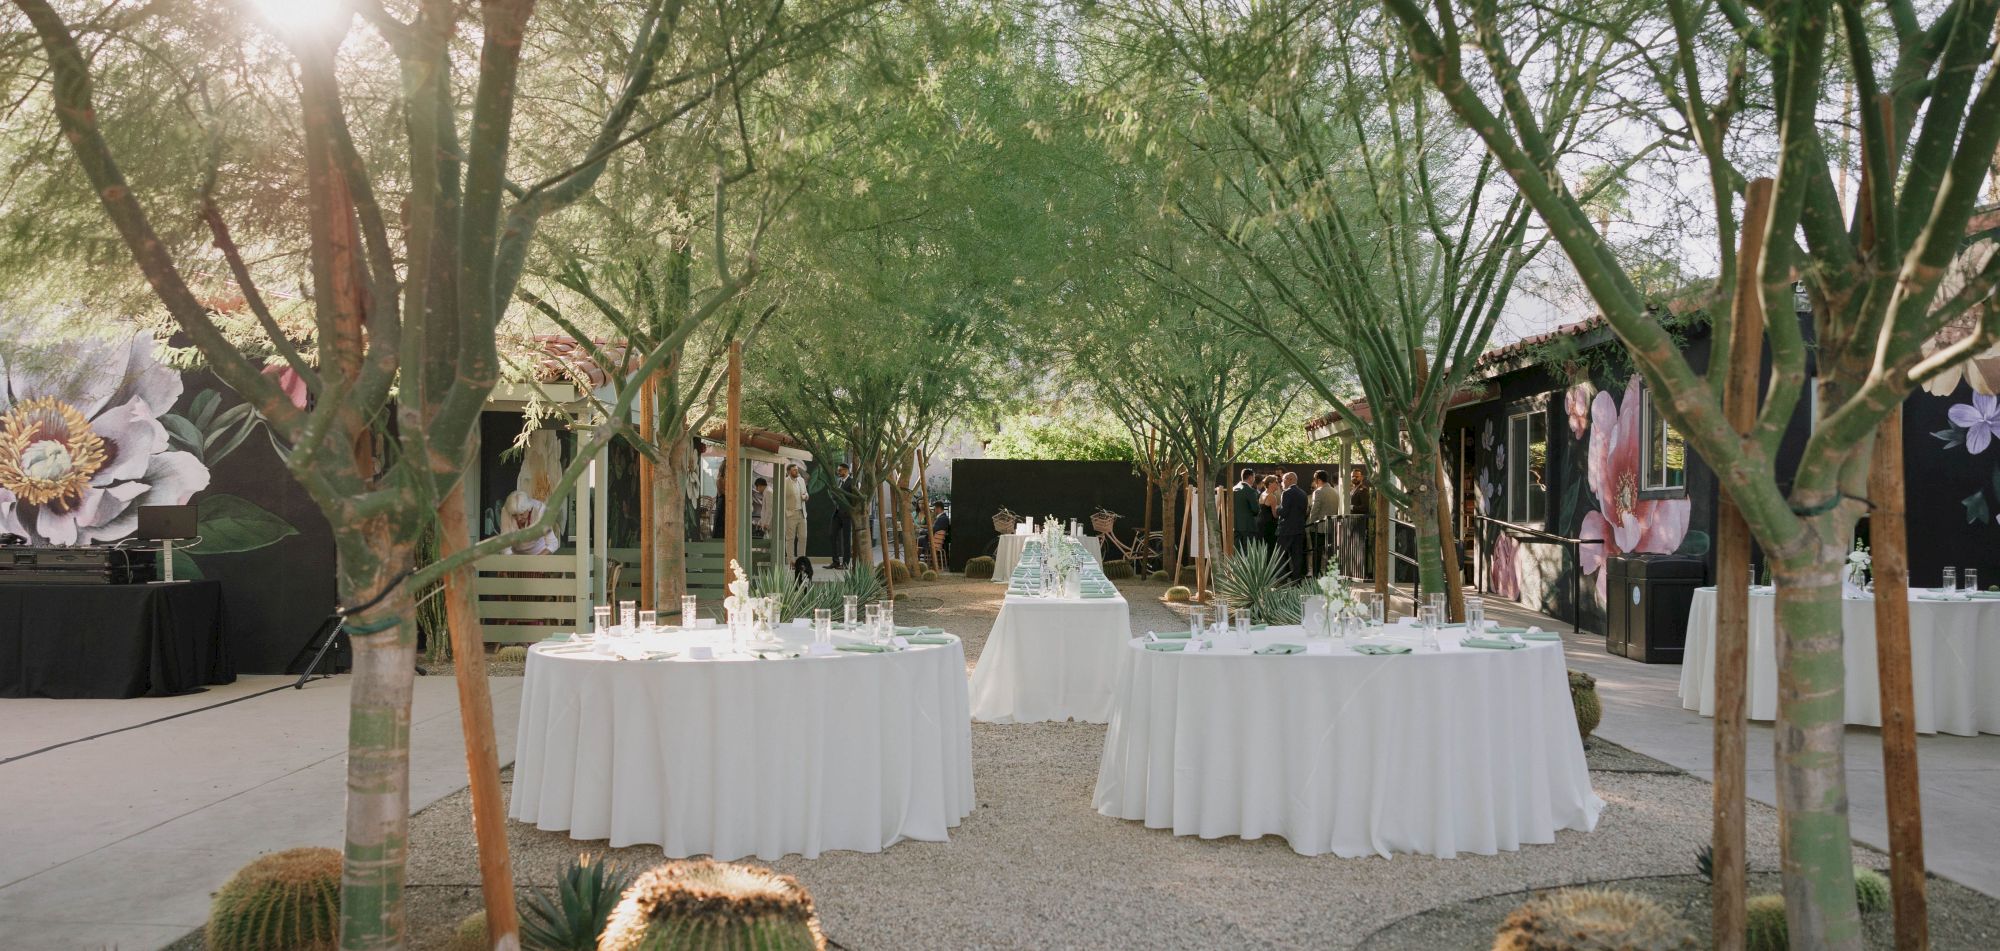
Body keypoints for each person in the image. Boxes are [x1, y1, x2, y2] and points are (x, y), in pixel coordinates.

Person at [1277, 471, 1309, 581]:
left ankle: (1282, 580)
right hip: (1299, 529)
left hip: (1286, 529)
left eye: (1283, 479)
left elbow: (1284, 512)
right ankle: (1297, 579)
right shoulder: (1303, 493)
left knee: (1280, 555)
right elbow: (1305, 512)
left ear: (1290, 480)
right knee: (1297, 556)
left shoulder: (1286, 493)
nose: (1282, 482)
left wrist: (1277, 509)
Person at [1307, 469, 1337, 575]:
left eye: (1315, 479)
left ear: (1318, 480)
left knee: (1317, 554)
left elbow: (1314, 511)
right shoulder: (1335, 491)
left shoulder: (1318, 492)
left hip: (1319, 528)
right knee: (1329, 554)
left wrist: (1311, 525)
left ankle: (1315, 576)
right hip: (1331, 527)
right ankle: (1330, 576)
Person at [828, 463, 855, 569]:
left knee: (846, 540)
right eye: (838, 470)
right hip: (837, 513)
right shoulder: (839, 482)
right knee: (832, 536)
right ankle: (835, 562)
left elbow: (854, 499)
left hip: (847, 514)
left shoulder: (851, 482)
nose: (838, 472)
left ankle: (845, 563)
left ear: (846, 471)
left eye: (840, 470)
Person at [1347, 468, 1373, 580]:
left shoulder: (1363, 490)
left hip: (1361, 523)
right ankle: (1355, 572)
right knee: (1354, 548)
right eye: (1353, 476)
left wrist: (1352, 507)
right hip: (1353, 523)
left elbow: (1365, 507)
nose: (1354, 478)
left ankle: (1364, 573)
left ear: (1361, 477)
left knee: (1361, 548)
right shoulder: (1353, 489)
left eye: (1357, 476)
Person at [783, 464, 810, 562]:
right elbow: (781, 498)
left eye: (797, 470)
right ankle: (791, 561)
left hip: (802, 513)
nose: (797, 471)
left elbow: (806, 493)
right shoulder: (784, 482)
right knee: (790, 539)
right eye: (794, 470)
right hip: (791, 514)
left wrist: (806, 496)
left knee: (803, 537)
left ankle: (801, 560)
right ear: (789, 472)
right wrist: (785, 511)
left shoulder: (801, 480)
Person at [1231, 468, 1259, 553]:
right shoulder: (1250, 491)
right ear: (1250, 477)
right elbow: (1255, 510)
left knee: (1237, 551)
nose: (1254, 479)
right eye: (1254, 477)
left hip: (1235, 525)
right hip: (1248, 526)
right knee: (1248, 552)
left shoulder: (1233, 489)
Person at [1256, 474, 1281, 548]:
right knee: (1269, 547)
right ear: (1270, 484)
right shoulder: (1272, 497)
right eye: (1276, 482)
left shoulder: (1262, 494)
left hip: (1260, 524)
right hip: (1269, 526)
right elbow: (1275, 515)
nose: (1278, 484)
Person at [929, 500, 952, 565]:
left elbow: (933, 530)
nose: (933, 510)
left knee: (918, 540)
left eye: (934, 508)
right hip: (936, 540)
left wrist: (922, 531)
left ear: (938, 508)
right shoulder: (942, 518)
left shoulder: (942, 518)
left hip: (935, 541)